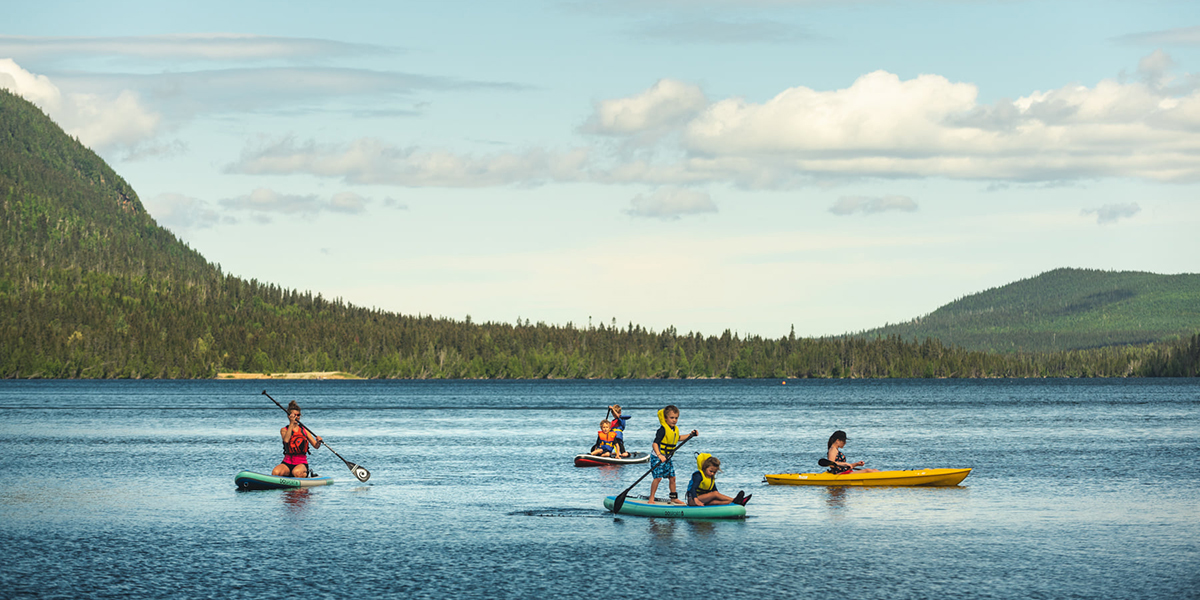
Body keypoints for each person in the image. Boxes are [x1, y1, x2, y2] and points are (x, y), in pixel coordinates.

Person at [648, 405, 697, 504]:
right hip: (658, 456)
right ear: (665, 418)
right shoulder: (662, 430)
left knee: (672, 477)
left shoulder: (674, 429)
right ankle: (651, 498)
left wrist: (690, 435)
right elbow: (655, 443)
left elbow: (678, 438)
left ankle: (673, 498)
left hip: (667, 457)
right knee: (658, 478)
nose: (674, 420)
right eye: (671, 418)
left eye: (676, 418)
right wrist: (659, 455)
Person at [272, 400, 322, 478]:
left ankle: (305, 474)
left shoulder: (304, 430)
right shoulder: (284, 430)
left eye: (298, 415)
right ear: (289, 416)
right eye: (294, 415)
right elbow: (286, 440)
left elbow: (316, 446)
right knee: (275, 472)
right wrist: (291, 423)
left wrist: (318, 442)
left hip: (301, 463)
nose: (296, 417)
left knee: (296, 472)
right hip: (287, 462)